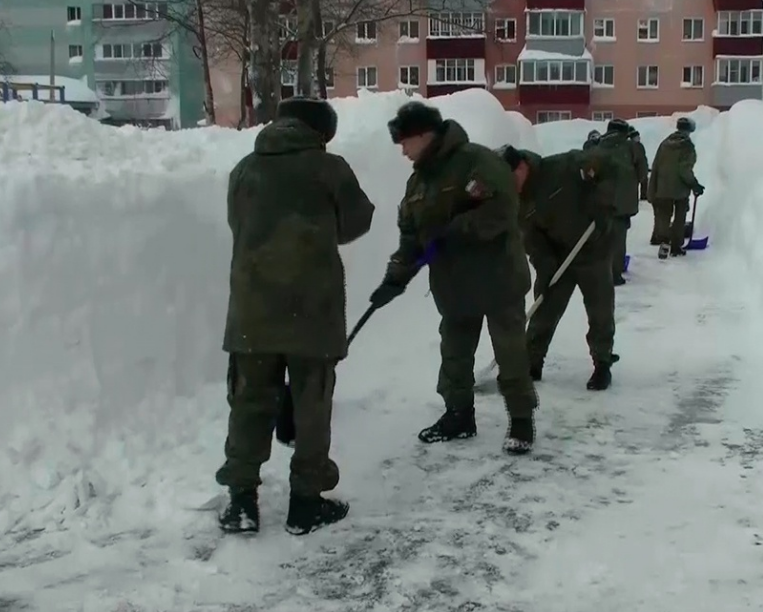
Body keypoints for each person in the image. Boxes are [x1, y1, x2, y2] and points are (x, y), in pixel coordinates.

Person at [216, 96, 375, 536]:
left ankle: (241, 504)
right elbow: (357, 221)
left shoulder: (245, 169)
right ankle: (305, 504)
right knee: (311, 407)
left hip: (252, 312)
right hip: (312, 310)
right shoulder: (330, 168)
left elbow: (239, 224)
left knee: (249, 404)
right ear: (319, 132)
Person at [369, 101, 538, 455]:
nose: (402, 151)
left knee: (510, 352)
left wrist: (456, 230)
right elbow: (411, 238)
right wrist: (394, 278)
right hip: (454, 286)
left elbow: (502, 210)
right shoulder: (417, 182)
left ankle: (521, 420)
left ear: (424, 135)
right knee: (455, 354)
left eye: (405, 142)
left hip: (498, 278)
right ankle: (458, 415)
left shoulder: (477, 161)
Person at [499, 144, 620, 391]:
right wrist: (545, 263)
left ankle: (602, 363)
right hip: (557, 256)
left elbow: (608, 166)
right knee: (544, 307)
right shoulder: (517, 199)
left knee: (600, 311)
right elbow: (529, 237)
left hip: (592, 248)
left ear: (521, 167)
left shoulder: (563, 166)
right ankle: (531, 362)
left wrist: (602, 204)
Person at [587, 119, 649, 286]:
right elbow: (643, 173)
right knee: (618, 237)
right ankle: (614, 273)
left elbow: (588, 172)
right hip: (622, 201)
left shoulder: (597, 147)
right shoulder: (631, 147)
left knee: (602, 236)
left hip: (600, 200)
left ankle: (599, 270)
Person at [648, 116, 704, 256]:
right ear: (690, 130)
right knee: (680, 218)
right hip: (680, 190)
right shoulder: (687, 146)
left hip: (663, 188)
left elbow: (656, 166)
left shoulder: (664, 143)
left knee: (664, 218)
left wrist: (653, 187)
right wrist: (694, 185)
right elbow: (684, 169)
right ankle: (676, 247)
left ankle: (664, 244)